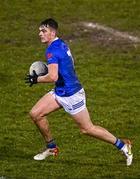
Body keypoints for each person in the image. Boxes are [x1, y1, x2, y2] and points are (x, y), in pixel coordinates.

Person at [25, 18, 133, 166]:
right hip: (61, 90)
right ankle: (51, 147)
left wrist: (35, 80)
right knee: (36, 114)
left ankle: (123, 145)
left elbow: (52, 76)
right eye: (39, 31)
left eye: (43, 31)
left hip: (72, 95)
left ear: (52, 32)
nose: (40, 34)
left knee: (87, 129)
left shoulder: (51, 50)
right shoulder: (60, 43)